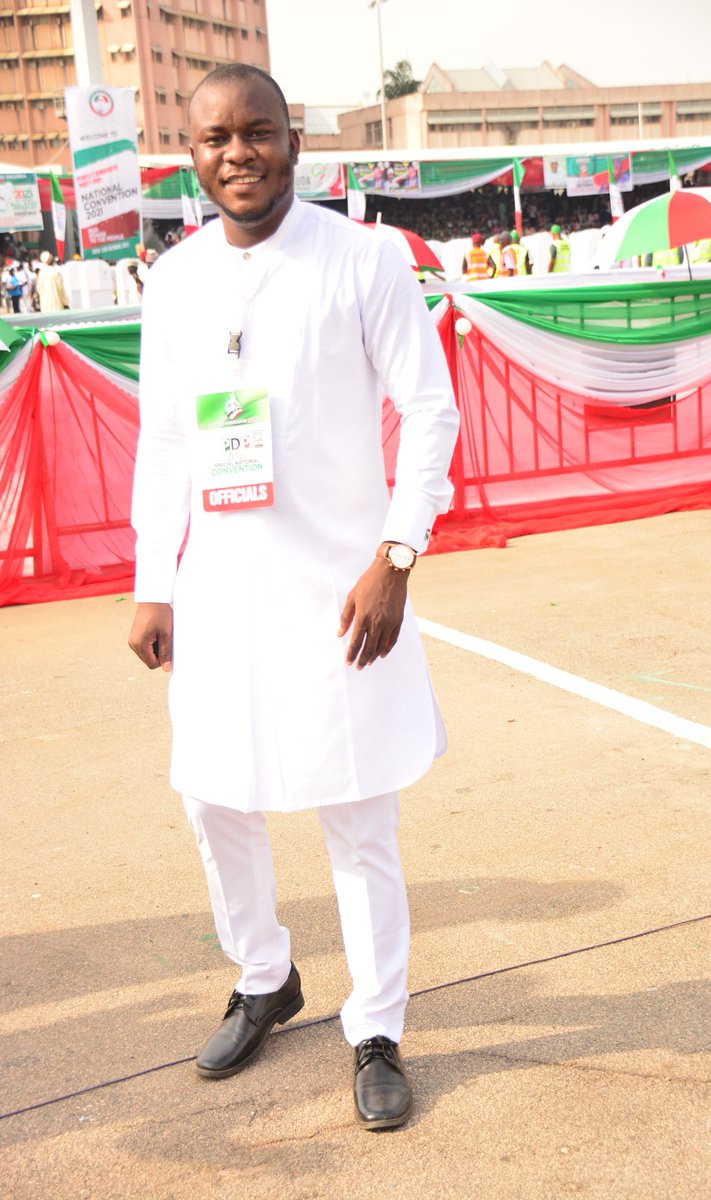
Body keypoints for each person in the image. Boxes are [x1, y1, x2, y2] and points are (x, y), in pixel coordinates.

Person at [127, 64, 459, 1132]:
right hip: (220, 590)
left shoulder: (359, 260)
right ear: (193, 156)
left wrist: (396, 556)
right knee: (212, 795)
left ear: (293, 138)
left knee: (355, 812)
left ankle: (378, 1027)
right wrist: (152, 581)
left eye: (256, 133)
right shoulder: (173, 281)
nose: (238, 154)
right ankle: (264, 973)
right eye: (216, 139)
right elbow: (168, 438)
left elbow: (429, 409)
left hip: (338, 591)